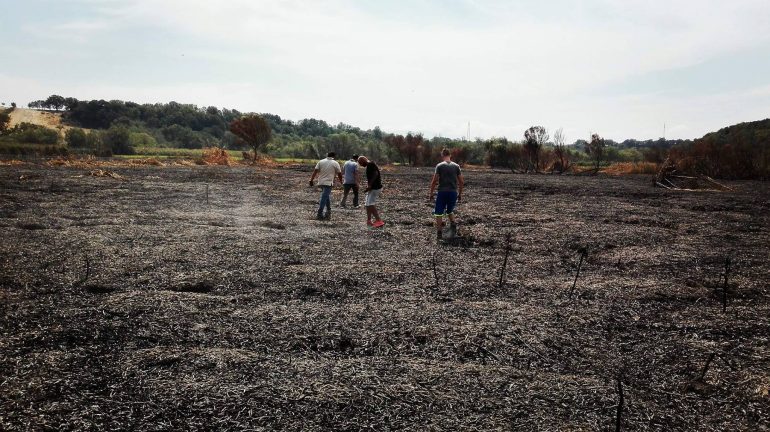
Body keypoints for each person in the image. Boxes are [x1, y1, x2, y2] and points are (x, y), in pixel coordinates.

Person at [428, 148, 464, 240]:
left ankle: (439, 233)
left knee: (439, 213)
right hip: (453, 192)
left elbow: (434, 181)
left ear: (442, 155)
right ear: (450, 155)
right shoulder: (456, 166)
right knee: (449, 210)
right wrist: (460, 194)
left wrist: (431, 193)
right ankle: (453, 225)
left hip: (442, 192)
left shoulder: (439, 166)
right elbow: (461, 182)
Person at [309, 152, 343, 220]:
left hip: (321, 182)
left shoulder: (321, 161)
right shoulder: (335, 163)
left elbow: (315, 171)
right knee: (324, 197)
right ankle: (320, 213)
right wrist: (341, 181)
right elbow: (339, 173)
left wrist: (311, 180)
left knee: (326, 196)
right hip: (328, 183)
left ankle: (328, 210)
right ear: (333, 156)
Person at [357, 156, 385, 228]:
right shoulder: (370, 165)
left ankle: (379, 220)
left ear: (364, 160)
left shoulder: (370, 164)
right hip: (372, 188)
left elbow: (375, 174)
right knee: (367, 204)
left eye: (360, 163)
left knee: (370, 204)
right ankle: (369, 220)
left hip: (375, 188)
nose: (360, 165)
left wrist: (370, 185)